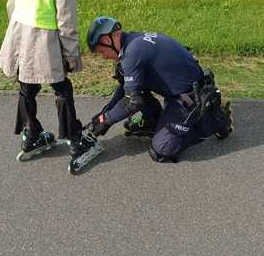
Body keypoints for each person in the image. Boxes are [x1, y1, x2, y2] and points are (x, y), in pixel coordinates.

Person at [0, 0, 103, 173]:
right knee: (62, 88)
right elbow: (66, 19)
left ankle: (31, 133)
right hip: (43, 37)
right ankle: (75, 141)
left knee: (27, 86)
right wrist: (71, 56)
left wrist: (16, 32)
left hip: (19, 29)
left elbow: (12, 0)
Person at [86, 16, 234, 163]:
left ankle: (216, 118)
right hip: (177, 88)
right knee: (122, 73)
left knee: (161, 150)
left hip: (190, 98)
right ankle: (154, 123)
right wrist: (103, 114)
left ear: (107, 41)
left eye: (100, 52)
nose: (103, 57)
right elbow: (127, 89)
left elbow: (133, 102)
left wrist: (106, 120)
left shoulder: (132, 54)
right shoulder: (133, 40)